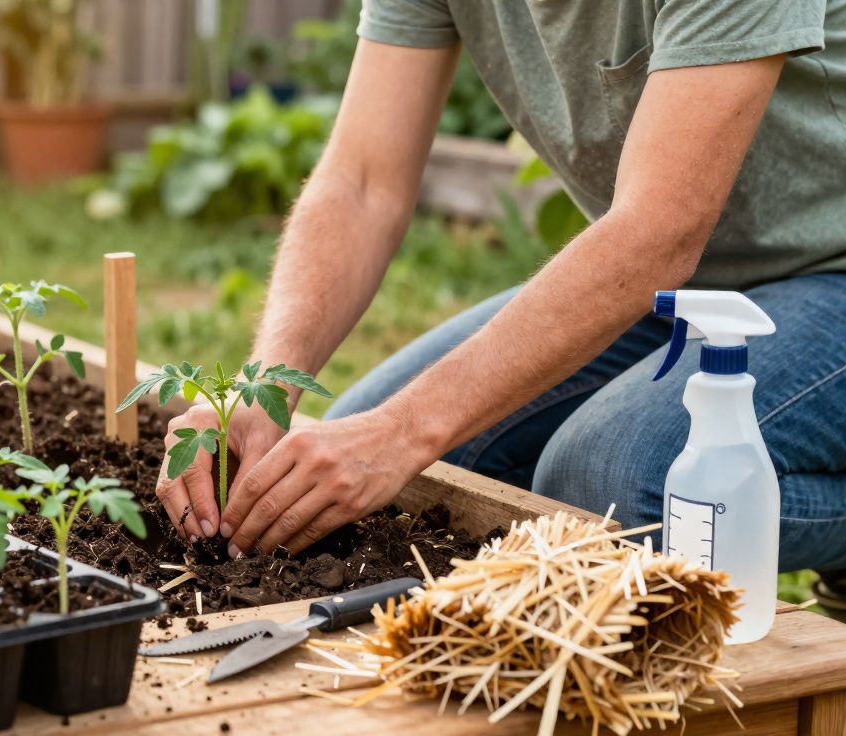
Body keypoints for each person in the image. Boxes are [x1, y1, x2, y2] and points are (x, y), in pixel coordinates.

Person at [154, 0, 846, 611]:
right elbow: (362, 182)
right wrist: (265, 388)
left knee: (609, 479)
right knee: (408, 484)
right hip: (680, 291)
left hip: (827, 269)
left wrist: (402, 432)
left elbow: (658, 230)